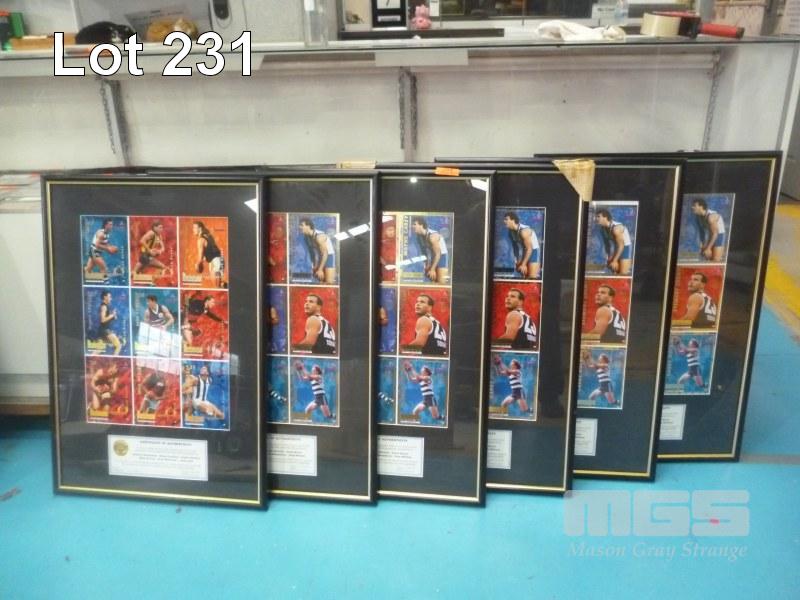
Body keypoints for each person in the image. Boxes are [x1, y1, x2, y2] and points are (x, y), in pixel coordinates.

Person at [502, 211, 541, 279]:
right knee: (524, 277)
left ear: (513, 220)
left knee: (532, 278)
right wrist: (517, 261)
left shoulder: (523, 231)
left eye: (506, 219)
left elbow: (529, 249)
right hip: (525, 251)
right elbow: (515, 248)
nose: (504, 221)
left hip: (533, 251)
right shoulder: (510, 232)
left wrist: (523, 264)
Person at [594, 208, 632, 275]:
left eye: (598, 216)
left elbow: (621, 245)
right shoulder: (602, 229)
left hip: (625, 248)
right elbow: (607, 245)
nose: (596, 219)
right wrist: (608, 257)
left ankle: (626, 267)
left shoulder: (616, 229)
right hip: (617, 247)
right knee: (613, 268)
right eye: (596, 217)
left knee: (622, 273)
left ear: (605, 217)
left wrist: (614, 260)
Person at [411, 217, 449, 283]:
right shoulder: (419, 237)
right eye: (412, 224)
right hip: (433, 257)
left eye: (414, 224)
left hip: (441, 257)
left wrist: (432, 269)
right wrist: (427, 264)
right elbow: (424, 252)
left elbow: (438, 254)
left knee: (441, 283)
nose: (412, 226)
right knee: (432, 281)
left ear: (421, 225)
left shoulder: (432, 236)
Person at [299, 217, 336, 283]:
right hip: (320, 257)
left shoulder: (319, 237)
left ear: (308, 226)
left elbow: (325, 254)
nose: (299, 227)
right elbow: (315, 252)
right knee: (320, 282)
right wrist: (315, 265)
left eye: (302, 225)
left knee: (329, 283)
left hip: (328, 256)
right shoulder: (307, 237)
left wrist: (320, 269)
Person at [192, 221, 225, 288]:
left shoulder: (201, 240)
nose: (193, 230)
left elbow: (200, 258)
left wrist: (197, 265)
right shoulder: (208, 235)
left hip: (215, 262)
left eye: (195, 228)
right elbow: (210, 250)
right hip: (219, 260)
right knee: (219, 286)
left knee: (218, 287)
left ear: (200, 228)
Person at [97, 290, 123, 355]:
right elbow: (103, 320)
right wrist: (112, 315)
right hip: (105, 330)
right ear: (105, 297)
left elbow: (110, 318)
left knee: (101, 348)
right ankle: (114, 360)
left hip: (105, 330)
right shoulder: (104, 306)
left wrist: (113, 316)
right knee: (118, 345)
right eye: (109, 297)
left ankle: (91, 357)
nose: (111, 298)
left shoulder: (107, 306)